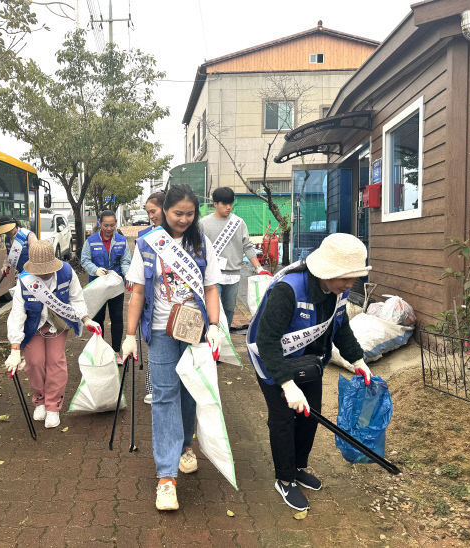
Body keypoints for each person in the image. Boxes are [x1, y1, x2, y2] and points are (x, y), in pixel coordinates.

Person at [247, 233, 373, 511]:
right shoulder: (288, 289)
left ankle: (298, 467)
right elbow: (267, 341)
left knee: (309, 416)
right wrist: (287, 385)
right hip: (273, 361)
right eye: (345, 278)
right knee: (283, 420)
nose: (350, 284)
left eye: (354, 278)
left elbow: (341, 328)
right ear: (327, 272)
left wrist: (358, 361)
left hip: (309, 363)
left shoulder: (337, 293)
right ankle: (284, 478)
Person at [121, 184, 222, 511]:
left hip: (193, 329)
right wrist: (129, 334)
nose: (184, 219)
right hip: (161, 332)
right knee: (164, 395)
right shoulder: (148, 243)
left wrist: (216, 326)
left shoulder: (201, 242)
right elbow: (137, 292)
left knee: (190, 392)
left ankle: (185, 446)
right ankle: (166, 477)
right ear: (164, 211)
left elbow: (210, 288)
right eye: (178, 213)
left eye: (190, 214)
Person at [6, 240, 101, 429]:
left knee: (56, 362)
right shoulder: (25, 280)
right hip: (33, 326)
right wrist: (15, 348)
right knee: (34, 363)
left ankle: (53, 406)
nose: (43, 274)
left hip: (58, 324)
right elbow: (17, 313)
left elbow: (76, 297)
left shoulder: (66, 272)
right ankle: (40, 400)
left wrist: (86, 319)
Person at [199, 186, 271, 329]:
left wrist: (258, 268)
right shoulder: (203, 223)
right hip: (213, 275)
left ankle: (225, 339)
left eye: (230, 203)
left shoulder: (238, 223)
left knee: (229, 309)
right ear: (215, 204)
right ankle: (215, 339)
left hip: (233, 275)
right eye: (224, 204)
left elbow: (247, 246)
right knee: (215, 310)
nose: (228, 207)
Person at [81, 210, 131, 364]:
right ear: (100, 224)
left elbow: (125, 261)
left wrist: (128, 274)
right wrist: (95, 270)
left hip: (116, 286)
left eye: (112, 225)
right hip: (97, 286)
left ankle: (116, 352)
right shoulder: (91, 241)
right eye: (106, 225)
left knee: (117, 318)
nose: (109, 229)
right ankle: (100, 352)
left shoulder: (122, 241)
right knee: (98, 319)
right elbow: (85, 260)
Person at [134, 191, 165, 404]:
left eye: (153, 211)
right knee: (153, 350)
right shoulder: (145, 237)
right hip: (153, 305)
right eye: (148, 212)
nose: (151, 216)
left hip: (181, 308)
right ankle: (152, 387)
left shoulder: (186, 237)